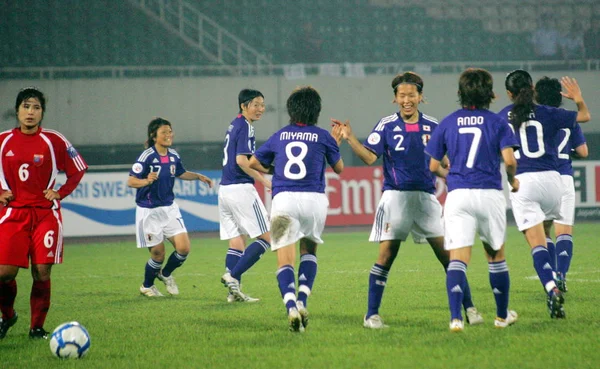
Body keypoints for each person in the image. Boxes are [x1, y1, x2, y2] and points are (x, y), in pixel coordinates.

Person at [331, 72, 483, 329]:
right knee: (386, 256)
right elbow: (369, 158)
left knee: (448, 257)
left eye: (411, 95)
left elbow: (445, 162)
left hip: (426, 199)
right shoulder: (387, 125)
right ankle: (371, 315)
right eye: (402, 96)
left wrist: (458, 174)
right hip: (395, 200)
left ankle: (469, 308)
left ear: (421, 97)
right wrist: (349, 138)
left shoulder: (434, 126)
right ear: (395, 99)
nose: (407, 100)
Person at [426, 68, 520, 332]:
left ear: (460, 93)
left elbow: (433, 165)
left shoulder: (447, 122)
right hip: (489, 193)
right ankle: (502, 317)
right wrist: (512, 180)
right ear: (490, 93)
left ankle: (456, 318)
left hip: (458, 195)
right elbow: (510, 161)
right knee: (495, 255)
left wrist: (452, 175)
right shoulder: (498, 122)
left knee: (457, 258)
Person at [248, 86, 343, 332]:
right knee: (309, 250)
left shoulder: (280, 135)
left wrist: (275, 170)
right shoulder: (323, 136)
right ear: (316, 111)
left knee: (284, 259)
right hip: (314, 201)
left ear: (291, 110)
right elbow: (340, 168)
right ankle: (302, 300)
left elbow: (254, 162)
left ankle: (290, 306)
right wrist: (335, 143)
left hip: (284, 200)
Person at [498, 70, 591, 319]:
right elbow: (584, 116)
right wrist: (578, 98)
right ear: (532, 88)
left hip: (524, 181)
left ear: (509, 93)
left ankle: (551, 288)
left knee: (538, 241)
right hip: (554, 181)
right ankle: (559, 275)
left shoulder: (502, 116)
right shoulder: (548, 112)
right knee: (555, 228)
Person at [0, 87, 87, 339]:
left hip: (45, 215)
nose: (30, 112)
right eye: (26, 106)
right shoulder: (3, 140)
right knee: (4, 274)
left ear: (42, 113)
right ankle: (8, 316)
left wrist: (61, 192)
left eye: (36, 107)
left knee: (42, 271)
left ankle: (36, 328)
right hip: (12, 213)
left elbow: (78, 169)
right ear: (17, 110)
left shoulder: (54, 140)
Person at [127, 117, 213, 297]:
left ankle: (165, 274)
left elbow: (180, 172)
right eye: (164, 132)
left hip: (169, 208)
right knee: (158, 255)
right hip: (149, 211)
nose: (168, 135)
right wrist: (145, 181)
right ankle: (147, 286)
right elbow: (131, 181)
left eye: (170, 131)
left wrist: (198, 176)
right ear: (154, 136)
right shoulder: (147, 156)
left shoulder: (173, 155)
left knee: (184, 248)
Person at [534, 76, 588, 292]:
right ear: (560, 97)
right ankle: (562, 274)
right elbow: (584, 152)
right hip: (564, 177)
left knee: (544, 231)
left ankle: (551, 275)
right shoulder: (567, 119)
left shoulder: (536, 117)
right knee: (564, 230)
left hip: (542, 176)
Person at [219, 89, 272, 303]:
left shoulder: (235, 124)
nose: (260, 109)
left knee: (237, 242)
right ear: (244, 105)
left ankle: (234, 293)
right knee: (266, 237)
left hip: (225, 190)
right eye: (256, 104)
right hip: (240, 189)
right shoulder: (246, 126)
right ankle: (232, 277)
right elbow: (242, 160)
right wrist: (265, 180)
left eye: (262, 104)